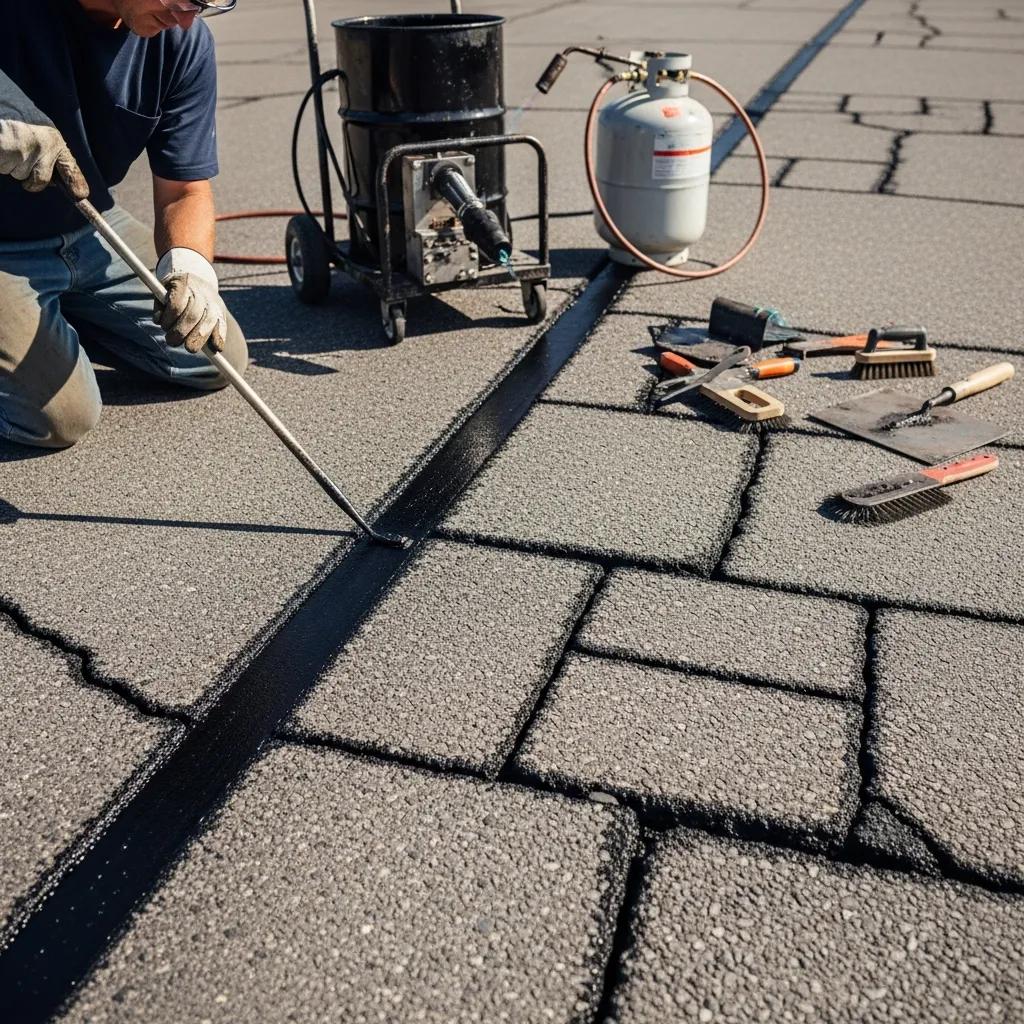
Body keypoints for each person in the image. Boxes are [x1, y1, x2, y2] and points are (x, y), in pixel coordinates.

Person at [0, 0, 247, 450]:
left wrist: (191, 270)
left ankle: (58, 318)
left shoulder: (182, 41)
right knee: (60, 417)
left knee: (216, 356)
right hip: (4, 244)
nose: (189, 18)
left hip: (89, 224)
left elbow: (184, 191)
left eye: (209, 3)